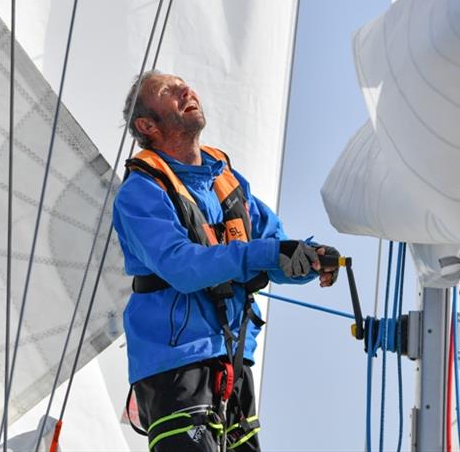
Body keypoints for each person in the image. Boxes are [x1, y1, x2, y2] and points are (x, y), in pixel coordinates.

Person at [113, 70, 339, 452]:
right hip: (174, 367)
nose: (186, 90)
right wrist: (270, 253)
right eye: (169, 91)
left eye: (183, 84)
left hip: (234, 362)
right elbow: (182, 266)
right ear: (146, 124)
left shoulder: (227, 181)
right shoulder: (140, 191)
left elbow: (272, 246)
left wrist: (308, 259)